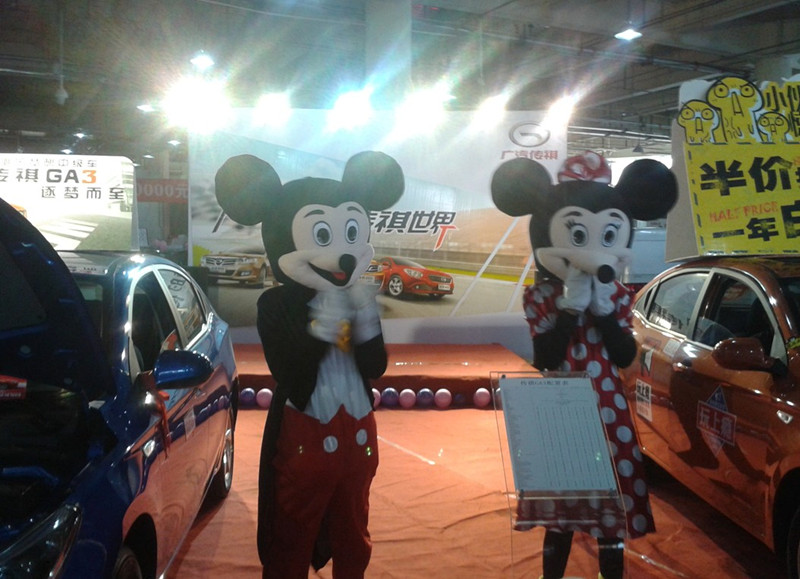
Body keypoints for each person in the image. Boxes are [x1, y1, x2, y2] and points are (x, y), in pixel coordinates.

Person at [491, 152, 677, 579]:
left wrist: (603, 311)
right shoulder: (541, 297)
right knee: (560, 518)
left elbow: (624, 356)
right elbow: (546, 358)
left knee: (611, 519)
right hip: (559, 410)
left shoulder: (619, 297)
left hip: (609, 412)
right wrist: (571, 308)